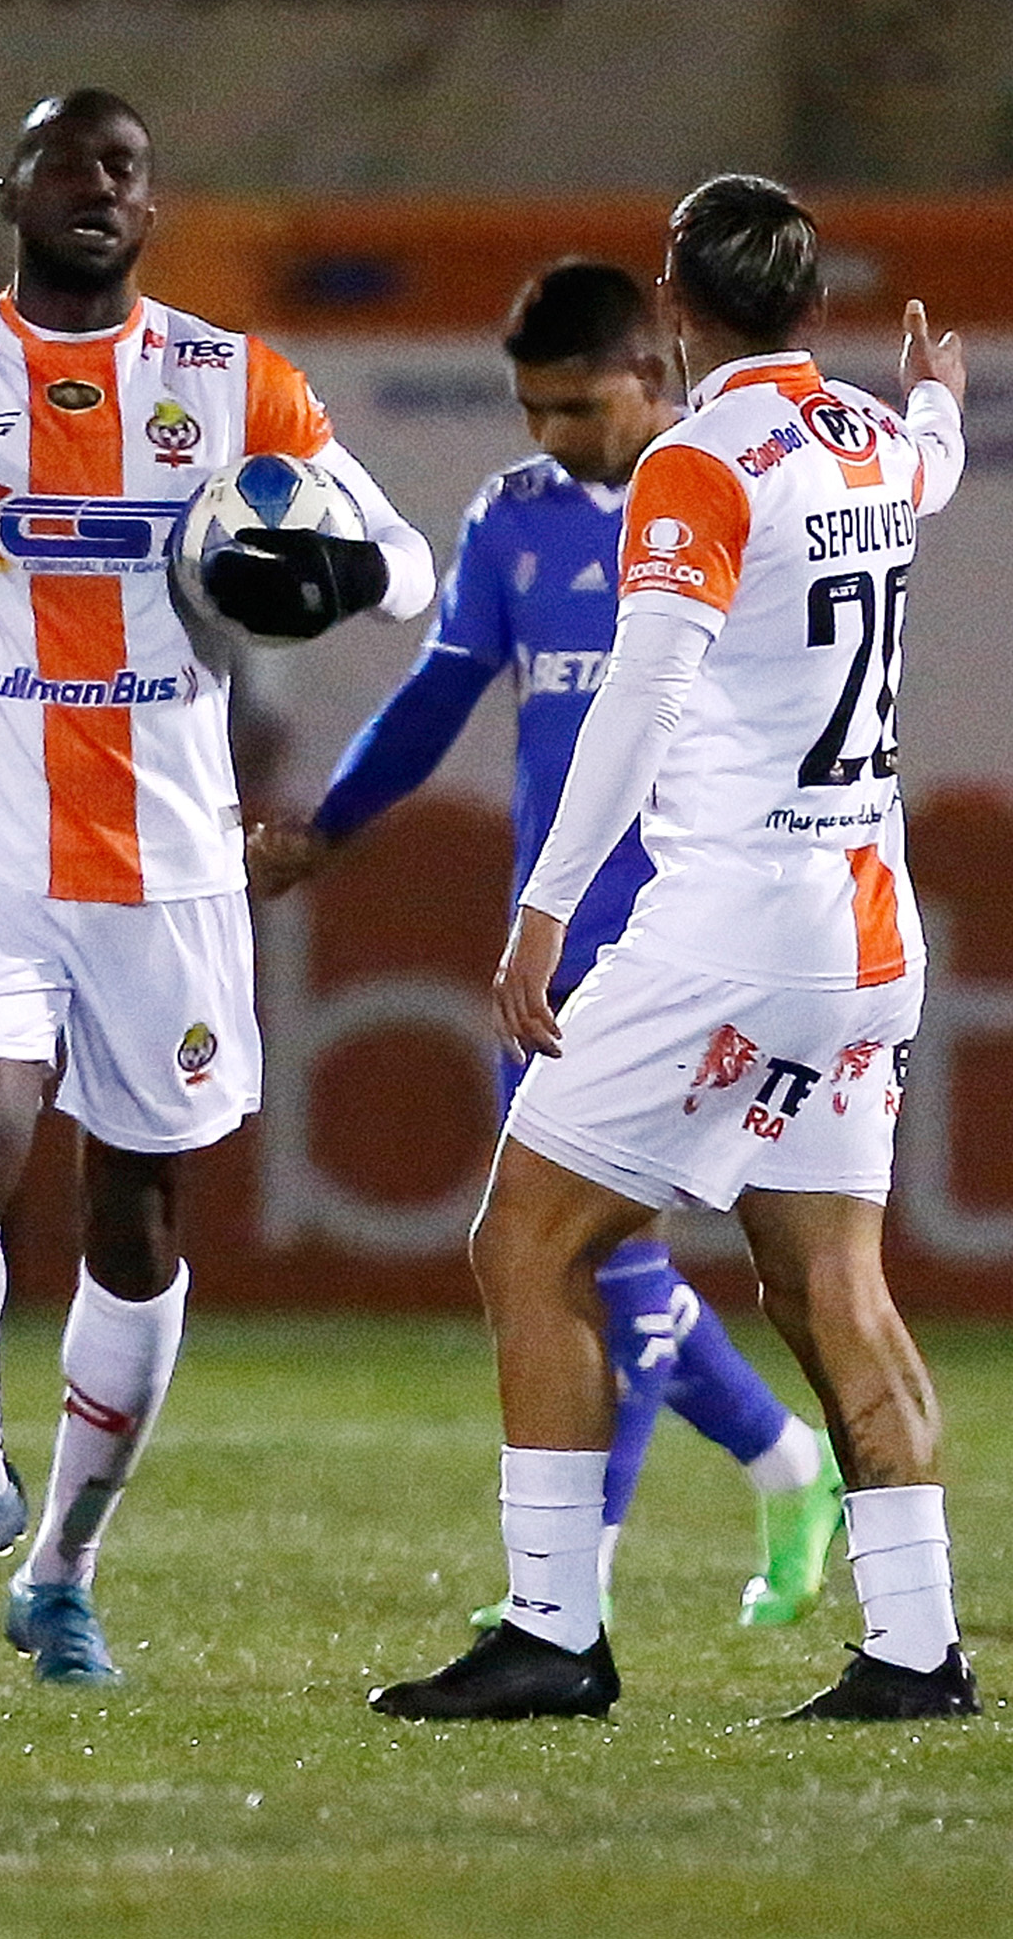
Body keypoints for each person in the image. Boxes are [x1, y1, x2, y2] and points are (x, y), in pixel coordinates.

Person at [0, 89, 433, 1684]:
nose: (96, 185)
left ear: (153, 209)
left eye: (125, 168)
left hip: (169, 862)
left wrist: (337, 567)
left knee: (136, 1222)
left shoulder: (232, 381)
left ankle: (65, 1566)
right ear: (11, 188)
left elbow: (406, 566)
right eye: (66, 161)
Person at [372, 175, 976, 1723]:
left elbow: (639, 697)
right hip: (867, 924)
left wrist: (545, 909)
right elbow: (935, 467)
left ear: (676, 306)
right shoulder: (872, 439)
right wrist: (937, 396)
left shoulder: (700, 462)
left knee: (527, 1239)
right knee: (832, 1281)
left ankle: (552, 1628)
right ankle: (918, 1648)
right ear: (815, 304)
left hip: (729, 929)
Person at [248, 260, 843, 1638]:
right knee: (594, 1259)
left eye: (574, 408)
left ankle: (591, 1583)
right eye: (529, 409)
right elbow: (439, 690)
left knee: (588, 1253)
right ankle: (778, 1466)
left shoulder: (733, 493)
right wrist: (330, 827)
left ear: (651, 374)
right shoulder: (512, 521)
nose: (548, 435)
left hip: (701, 933)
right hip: (560, 941)